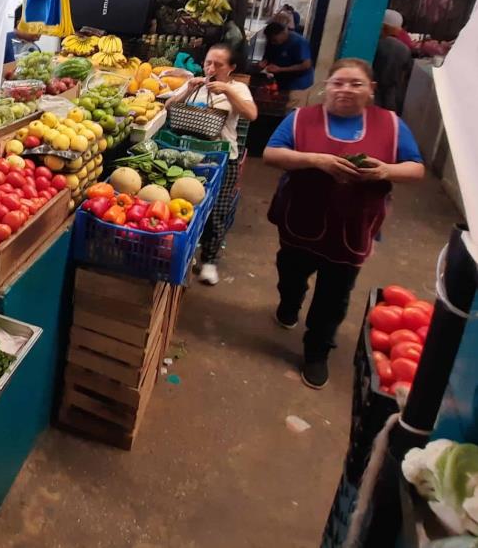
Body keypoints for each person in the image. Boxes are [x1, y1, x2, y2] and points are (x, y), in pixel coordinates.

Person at [263, 59, 425, 389]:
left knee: (334, 296)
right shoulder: (302, 119)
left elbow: (416, 168)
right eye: (338, 83)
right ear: (327, 86)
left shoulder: (391, 125)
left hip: (352, 230)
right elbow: (271, 154)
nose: (345, 90)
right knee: (291, 273)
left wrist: (386, 171)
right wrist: (315, 160)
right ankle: (289, 303)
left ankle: (317, 352)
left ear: (371, 90)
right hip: (300, 220)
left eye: (355, 84)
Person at [168, 43, 258, 286]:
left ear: (231, 68)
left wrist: (228, 92)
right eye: (208, 62)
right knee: (184, 207)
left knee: (217, 210)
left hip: (221, 158)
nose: (211, 68)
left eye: (218, 65)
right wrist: (188, 90)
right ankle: (184, 258)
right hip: (189, 155)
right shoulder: (195, 84)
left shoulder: (239, 88)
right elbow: (169, 108)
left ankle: (209, 260)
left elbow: (251, 114)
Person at [259, 21, 314, 109]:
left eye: (275, 40)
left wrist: (281, 69)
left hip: (298, 84)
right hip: (281, 82)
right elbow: (267, 56)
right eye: (271, 40)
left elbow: (306, 65)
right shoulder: (271, 42)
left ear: (283, 33)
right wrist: (264, 63)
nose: (273, 43)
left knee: (292, 107)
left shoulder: (299, 42)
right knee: (277, 106)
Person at [374, 26, 413, 114]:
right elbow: (407, 70)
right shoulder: (405, 49)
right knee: (389, 112)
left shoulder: (378, 43)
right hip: (392, 87)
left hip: (376, 83)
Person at [2, 6, 40, 79]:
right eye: (36, 25)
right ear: (20, 24)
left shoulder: (35, 48)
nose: (40, 30)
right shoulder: (4, 43)